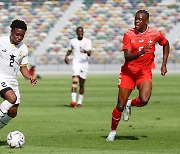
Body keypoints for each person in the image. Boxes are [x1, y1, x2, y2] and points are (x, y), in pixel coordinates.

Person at [106, 10, 170, 141]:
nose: (136, 21)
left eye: (140, 20)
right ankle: (112, 132)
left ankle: (130, 103)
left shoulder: (155, 34)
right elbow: (127, 57)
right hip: (128, 72)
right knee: (119, 105)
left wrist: (164, 64)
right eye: (136, 19)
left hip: (144, 72)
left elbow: (166, 43)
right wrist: (141, 53)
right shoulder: (129, 34)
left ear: (146, 21)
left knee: (144, 100)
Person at [0, 19, 37, 130]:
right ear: (11, 32)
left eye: (22, 35)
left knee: (12, 112)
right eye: (17, 34)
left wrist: (30, 76)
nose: (19, 37)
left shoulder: (23, 48)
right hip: (0, 76)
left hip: (12, 79)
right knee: (12, 98)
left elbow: (23, 67)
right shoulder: (1, 41)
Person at [64, 27, 92, 107]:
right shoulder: (72, 41)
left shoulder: (87, 41)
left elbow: (90, 53)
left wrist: (85, 51)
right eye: (79, 32)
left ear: (83, 32)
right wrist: (66, 57)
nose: (80, 33)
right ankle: (73, 101)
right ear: (76, 32)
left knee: (82, 84)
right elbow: (70, 50)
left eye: (81, 32)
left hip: (84, 64)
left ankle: (79, 102)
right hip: (76, 63)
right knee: (75, 81)